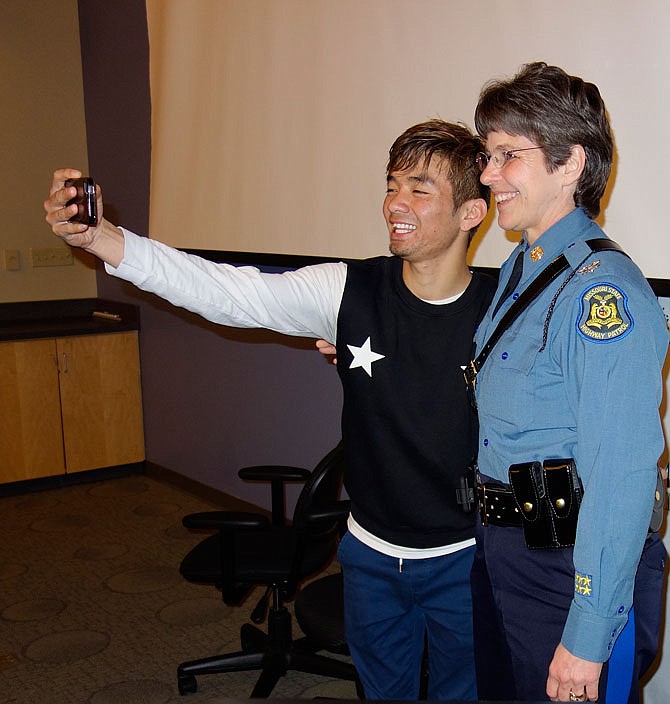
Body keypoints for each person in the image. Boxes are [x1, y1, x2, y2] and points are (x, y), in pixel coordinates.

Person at [44, 120, 497, 700]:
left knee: (466, 692)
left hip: (464, 557)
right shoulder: (348, 290)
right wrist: (102, 239)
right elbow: (226, 292)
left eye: (418, 189)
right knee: (383, 693)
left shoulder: (503, 306)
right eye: (390, 185)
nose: (394, 204)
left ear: (471, 213)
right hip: (371, 555)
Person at [469, 62, 668, 704]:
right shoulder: (525, 268)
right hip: (506, 549)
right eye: (487, 154)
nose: (488, 173)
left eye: (508, 155)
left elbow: (621, 479)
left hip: (568, 569)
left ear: (570, 163)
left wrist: (587, 634)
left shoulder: (600, 295)